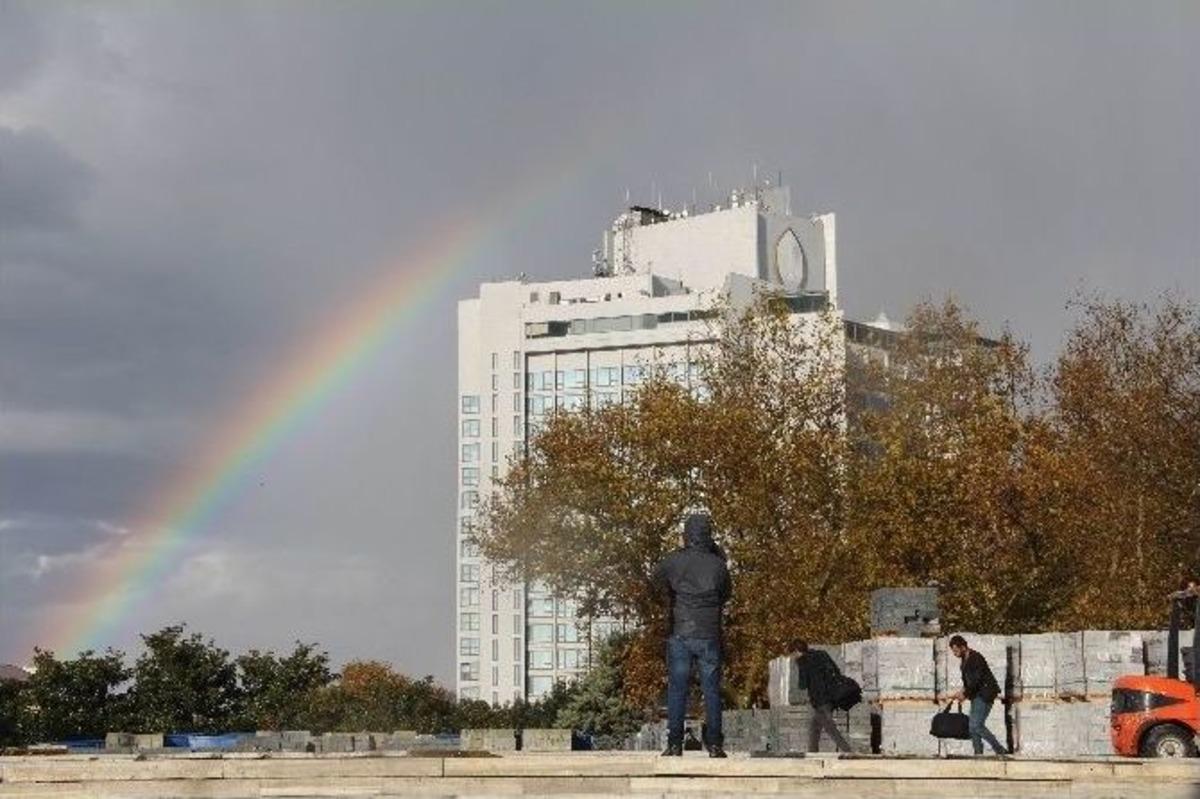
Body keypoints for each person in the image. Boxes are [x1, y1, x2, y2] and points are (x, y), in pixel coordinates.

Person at [652, 512, 731, 758]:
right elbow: (726, 593)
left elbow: (654, 584)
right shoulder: (719, 564)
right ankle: (715, 745)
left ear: (685, 536)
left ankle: (675, 744)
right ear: (708, 536)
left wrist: (671, 599)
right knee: (712, 691)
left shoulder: (672, 561)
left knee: (677, 690)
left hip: (681, 631)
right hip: (709, 633)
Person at [948, 635, 1008, 756]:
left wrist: (964, 694)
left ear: (963, 647)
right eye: (953, 651)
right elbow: (968, 683)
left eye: (956, 650)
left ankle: (999, 750)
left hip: (985, 694)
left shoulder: (976, 658)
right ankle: (978, 753)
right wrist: (960, 693)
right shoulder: (964, 662)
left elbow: (977, 680)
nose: (954, 653)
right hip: (976, 694)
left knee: (976, 725)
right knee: (972, 727)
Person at [791, 640, 853, 753]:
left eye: (793, 653)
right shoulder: (822, 654)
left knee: (830, 729)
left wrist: (800, 666)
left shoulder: (803, 661)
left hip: (820, 700)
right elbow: (836, 670)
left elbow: (802, 685)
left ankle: (848, 751)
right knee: (814, 728)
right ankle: (812, 754)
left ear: (797, 651)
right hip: (832, 696)